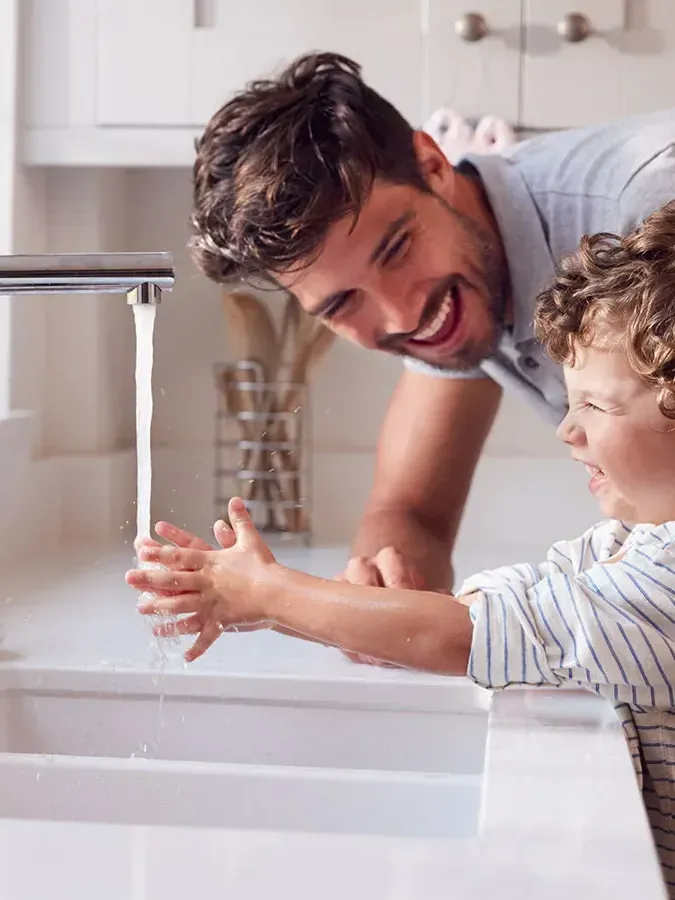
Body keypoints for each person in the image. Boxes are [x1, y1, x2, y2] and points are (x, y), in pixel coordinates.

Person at [128, 202, 675, 893]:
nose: (564, 431)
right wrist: (295, 610)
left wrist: (267, 592)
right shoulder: (631, 541)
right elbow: (518, 601)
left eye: (594, 406)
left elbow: (486, 634)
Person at [189, 51, 675, 607]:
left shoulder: (652, 209)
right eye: (344, 302)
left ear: (434, 164)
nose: (401, 316)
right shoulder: (453, 286)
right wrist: (385, 588)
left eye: (396, 250)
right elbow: (408, 512)